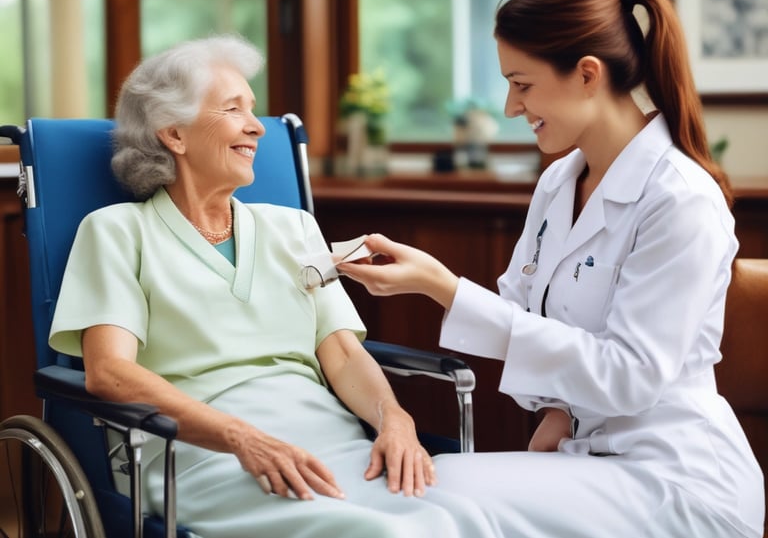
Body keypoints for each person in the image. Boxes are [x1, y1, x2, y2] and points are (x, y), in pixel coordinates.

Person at [339, 0, 765, 536]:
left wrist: (444, 287)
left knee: (437, 494)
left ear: (587, 74)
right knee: (419, 492)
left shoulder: (680, 198)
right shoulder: (559, 182)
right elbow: (523, 316)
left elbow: (630, 377)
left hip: (677, 481)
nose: (512, 107)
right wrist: (560, 412)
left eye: (522, 85)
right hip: (587, 458)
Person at [47, 35, 499, 538]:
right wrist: (243, 438)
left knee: (463, 518)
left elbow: (344, 355)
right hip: (202, 455)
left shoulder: (294, 227)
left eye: (254, 109)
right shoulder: (115, 231)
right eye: (233, 109)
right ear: (174, 134)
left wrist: (395, 419)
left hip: (334, 443)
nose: (257, 127)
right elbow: (109, 373)